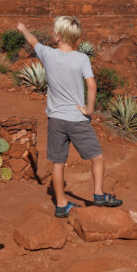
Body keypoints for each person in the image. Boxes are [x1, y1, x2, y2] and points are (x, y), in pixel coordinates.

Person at [16, 18, 121, 216]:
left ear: (58, 36)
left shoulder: (47, 54)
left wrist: (23, 29)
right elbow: (91, 85)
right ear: (75, 38)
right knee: (97, 157)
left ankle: (62, 204)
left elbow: (32, 41)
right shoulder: (82, 59)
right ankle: (98, 194)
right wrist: (89, 110)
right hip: (77, 118)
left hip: (56, 119)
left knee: (58, 162)